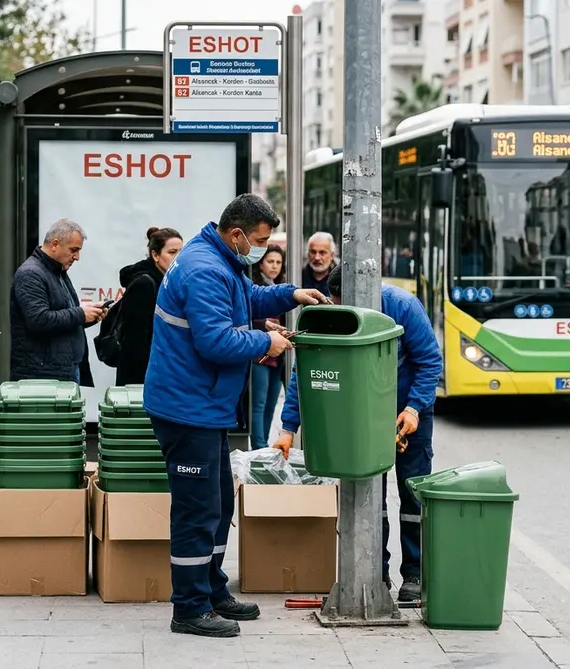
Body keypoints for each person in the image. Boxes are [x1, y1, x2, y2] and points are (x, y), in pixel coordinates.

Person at [142, 194, 328, 638]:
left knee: (220, 501)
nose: (263, 249)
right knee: (196, 510)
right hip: (187, 409)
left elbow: (246, 299)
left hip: (203, 407)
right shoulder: (206, 269)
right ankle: (188, 608)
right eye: (260, 241)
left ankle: (211, 589)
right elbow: (216, 342)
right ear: (238, 233)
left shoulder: (219, 259)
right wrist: (269, 344)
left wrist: (289, 295)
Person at [274, 262, 442, 603]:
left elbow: (429, 362)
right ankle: (373, 572)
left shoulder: (402, 307)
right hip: (359, 417)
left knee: (412, 495)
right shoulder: (331, 314)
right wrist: (289, 427)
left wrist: (413, 408)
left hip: (407, 413)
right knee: (367, 494)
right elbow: (306, 372)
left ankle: (414, 574)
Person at [11, 219, 106, 383]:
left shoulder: (57, 270)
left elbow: (63, 317)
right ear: (55, 244)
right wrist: (80, 314)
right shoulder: (31, 274)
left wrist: (90, 314)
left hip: (61, 367)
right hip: (44, 373)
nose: (77, 257)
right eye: (73, 250)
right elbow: (39, 320)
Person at [114, 227, 183, 386]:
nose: (178, 258)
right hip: (143, 377)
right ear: (155, 255)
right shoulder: (145, 284)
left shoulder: (169, 282)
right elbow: (136, 341)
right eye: (172, 252)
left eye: (181, 252)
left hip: (162, 372)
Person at [249, 244, 288, 449]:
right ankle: (259, 446)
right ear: (260, 264)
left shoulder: (280, 286)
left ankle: (263, 444)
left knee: (272, 402)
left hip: (278, 354)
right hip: (259, 352)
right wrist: (262, 325)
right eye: (270, 261)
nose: (274, 266)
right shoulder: (254, 287)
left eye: (278, 262)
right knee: (259, 402)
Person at [301, 231, 338, 295]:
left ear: (332, 255)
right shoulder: (299, 276)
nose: (317, 258)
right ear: (307, 254)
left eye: (322, 252)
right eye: (313, 252)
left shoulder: (340, 279)